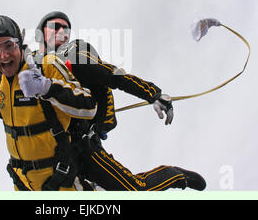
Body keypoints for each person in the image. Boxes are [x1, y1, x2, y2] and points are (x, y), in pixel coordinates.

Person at [33, 11, 206, 191]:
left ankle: (174, 175)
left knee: (134, 190)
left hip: (82, 147)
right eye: (55, 26)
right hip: (48, 154)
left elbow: (112, 75)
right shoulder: (27, 65)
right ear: (40, 33)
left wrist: (152, 93)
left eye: (66, 28)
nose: (63, 31)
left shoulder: (72, 55)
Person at [0, 15, 97, 191]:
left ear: (20, 43)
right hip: (23, 184)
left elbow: (89, 107)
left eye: (9, 45)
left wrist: (47, 87)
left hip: (60, 181)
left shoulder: (47, 66)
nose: (4, 55)